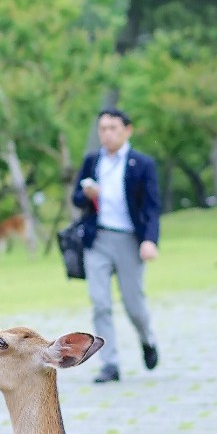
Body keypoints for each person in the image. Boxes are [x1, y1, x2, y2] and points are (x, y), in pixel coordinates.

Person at [72, 108, 160, 384]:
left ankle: (148, 340)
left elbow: (152, 207)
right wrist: (86, 194)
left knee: (134, 304)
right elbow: (76, 198)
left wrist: (149, 240)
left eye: (113, 128)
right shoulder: (92, 161)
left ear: (127, 130)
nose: (107, 134)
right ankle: (109, 363)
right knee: (100, 303)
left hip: (129, 239)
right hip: (97, 239)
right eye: (102, 129)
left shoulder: (142, 164)